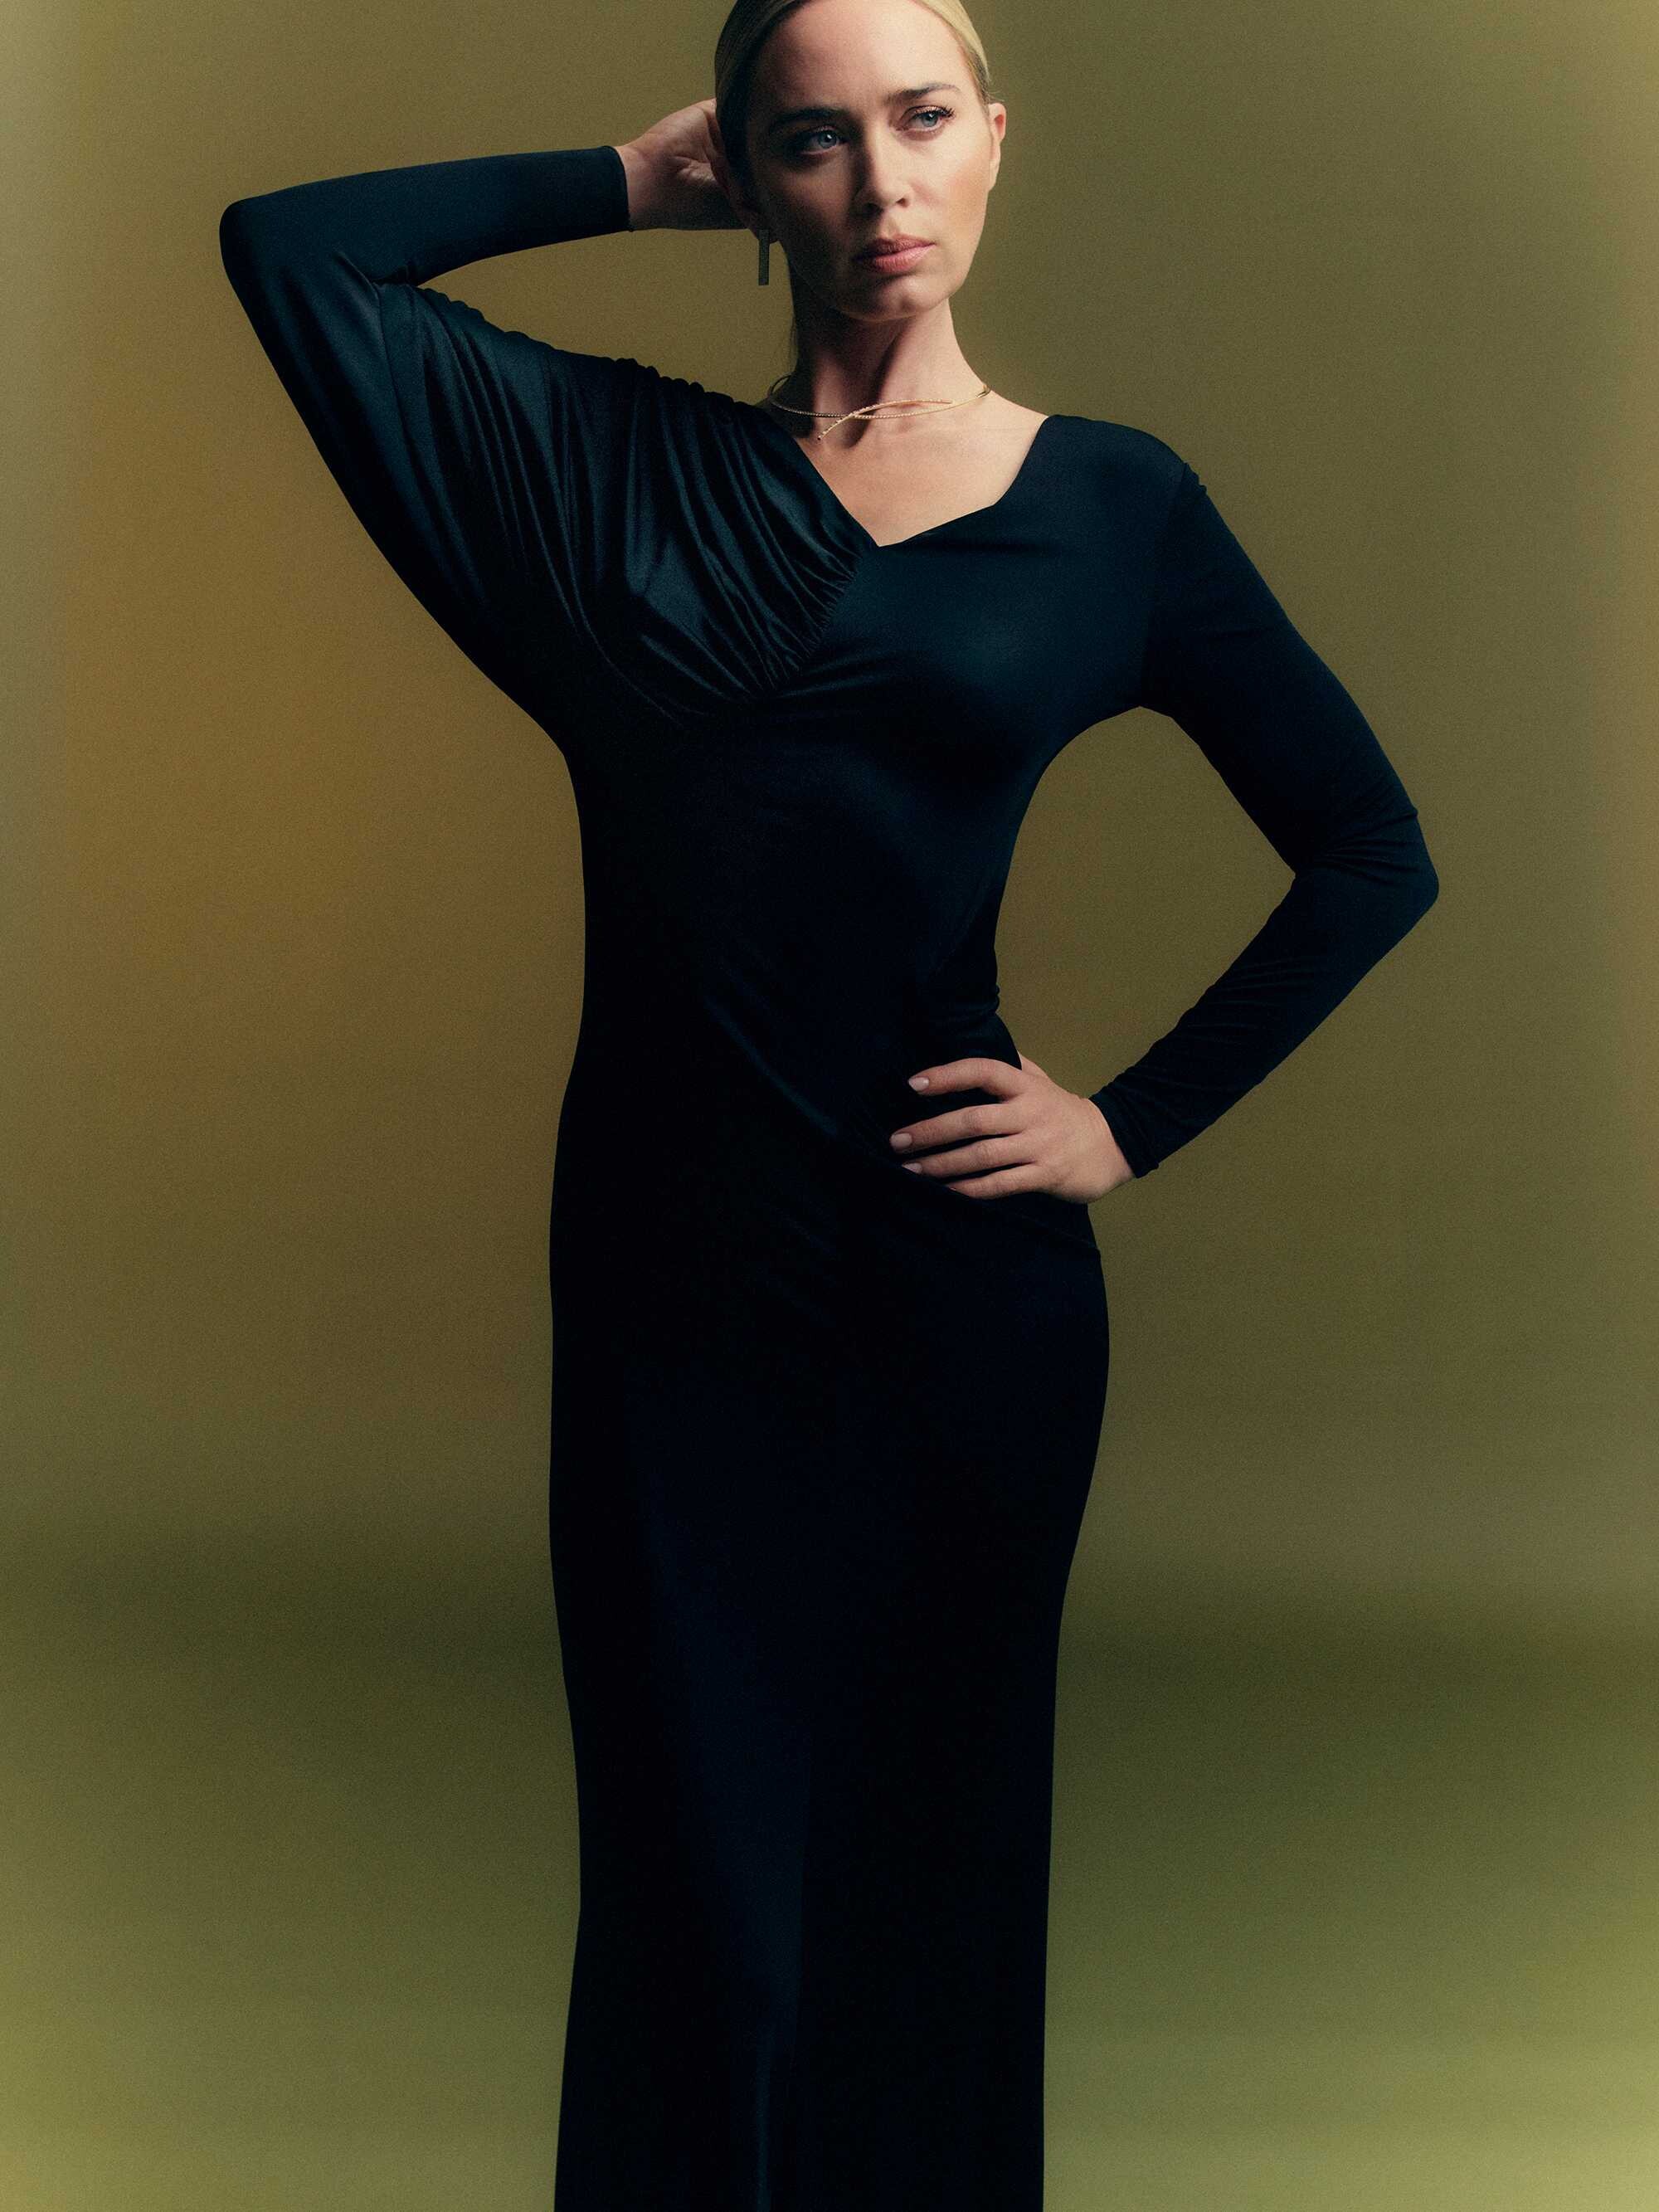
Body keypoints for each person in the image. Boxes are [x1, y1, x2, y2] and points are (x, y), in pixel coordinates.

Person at [217, 0, 1439, 2203]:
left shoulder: (1115, 508)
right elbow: (289, 250)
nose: (883, 184)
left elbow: (1369, 851)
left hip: (959, 1291)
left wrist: (1124, 1122)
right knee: (695, 1891)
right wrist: (619, 180)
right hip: (672, 1283)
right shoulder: (598, 475)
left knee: (927, 1888)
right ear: (749, 176)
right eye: (813, 139)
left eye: (924, 118)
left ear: (996, 140)